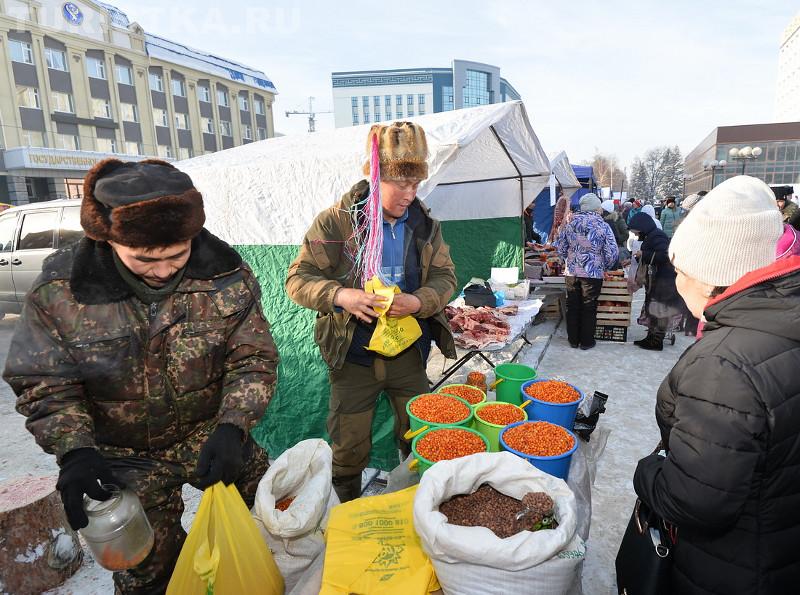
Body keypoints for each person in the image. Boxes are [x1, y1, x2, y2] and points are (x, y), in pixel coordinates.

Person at [3, 159, 278, 594]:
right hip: (126, 456)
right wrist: (75, 450)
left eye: (177, 255)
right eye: (146, 259)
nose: (164, 270)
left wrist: (233, 426)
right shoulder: (61, 292)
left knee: (275, 522)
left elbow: (252, 357)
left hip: (211, 435)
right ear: (109, 239)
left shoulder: (226, 277)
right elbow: (44, 381)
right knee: (148, 573)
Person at [633, 175, 800, 595]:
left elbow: (695, 501)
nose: (678, 282)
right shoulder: (783, 318)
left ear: (710, 277)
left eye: (681, 271)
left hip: (731, 567)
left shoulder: (723, 364)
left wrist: (647, 471)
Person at [286, 122, 457, 503]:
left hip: (408, 355)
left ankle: (415, 504)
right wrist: (341, 295)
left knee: (419, 435)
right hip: (354, 357)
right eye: (402, 184)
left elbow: (445, 276)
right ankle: (346, 510)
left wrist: (418, 302)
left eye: (416, 184)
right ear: (377, 177)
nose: (410, 194)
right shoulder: (336, 221)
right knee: (348, 447)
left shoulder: (425, 226)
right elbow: (297, 279)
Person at [554, 193, 618, 350]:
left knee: (573, 305)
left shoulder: (569, 224)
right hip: (592, 272)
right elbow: (612, 252)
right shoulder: (603, 226)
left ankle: (573, 340)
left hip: (572, 272)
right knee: (589, 306)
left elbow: (560, 248)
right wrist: (605, 266)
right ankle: (587, 342)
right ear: (596, 208)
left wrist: (569, 259)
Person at [628, 211, 683, 350]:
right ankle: (650, 338)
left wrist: (644, 254)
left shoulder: (657, 235)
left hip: (664, 279)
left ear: (642, 227)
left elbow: (665, 255)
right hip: (656, 279)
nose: (636, 235)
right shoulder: (651, 235)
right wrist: (638, 257)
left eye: (636, 231)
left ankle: (656, 341)